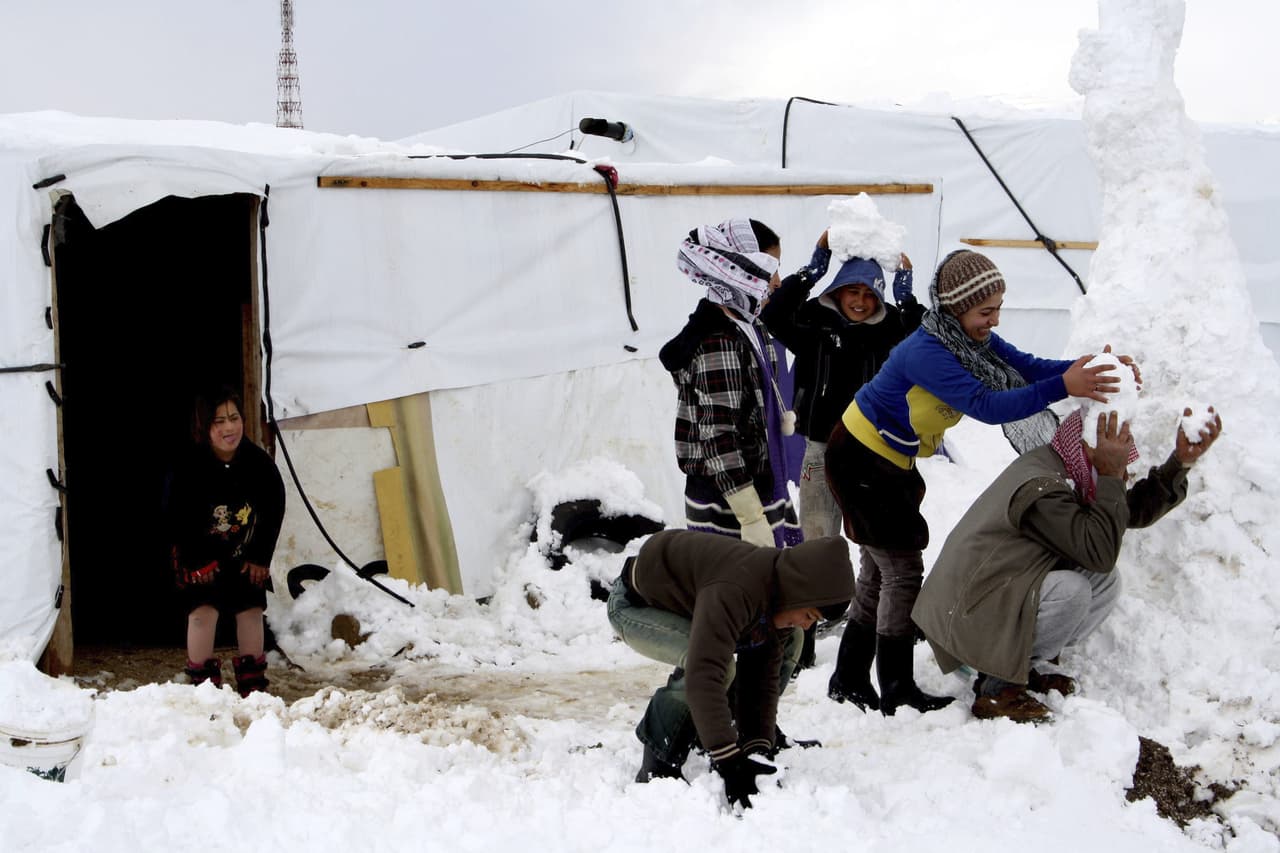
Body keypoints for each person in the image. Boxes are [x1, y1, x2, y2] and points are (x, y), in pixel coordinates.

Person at [824, 249, 1126, 716]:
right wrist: (1065, 385)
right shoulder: (928, 351)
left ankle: (848, 678)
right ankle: (897, 689)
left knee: (879, 570)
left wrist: (1084, 370)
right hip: (862, 458)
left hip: (886, 457)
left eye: (999, 308)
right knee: (901, 571)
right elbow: (987, 405)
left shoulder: (967, 340)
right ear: (957, 307)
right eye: (987, 311)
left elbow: (1026, 366)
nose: (995, 321)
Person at [912, 405, 1222, 722]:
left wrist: (1180, 463)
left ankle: (1024, 666)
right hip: (964, 616)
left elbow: (1123, 513)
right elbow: (1099, 551)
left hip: (992, 593)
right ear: (1088, 447)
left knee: (1104, 581)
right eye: (1115, 459)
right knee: (1072, 589)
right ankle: (997, 688)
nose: (1124, 470)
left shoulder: (1072, 469)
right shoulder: (1043, 487)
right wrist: (1111, 476)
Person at [760, 240, 923, 668]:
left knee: (877, 546)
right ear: (839, 290)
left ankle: (873, 630)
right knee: (818, 544)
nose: (861, 301)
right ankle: (803, 646)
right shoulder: (814, 325)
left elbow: (924, 335)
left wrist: (905, 295)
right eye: (853, 291)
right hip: (821, 451)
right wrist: (812, 269)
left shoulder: (890, 332)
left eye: (871, 294)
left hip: (874, 455)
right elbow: (774, 314)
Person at [607, 530, 854, 808]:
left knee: (791, 640)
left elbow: (761, 679)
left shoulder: (780, 592)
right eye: (809, 615)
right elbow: (705, 674)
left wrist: (756, 747)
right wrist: (729, 761)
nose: (809, 625)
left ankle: (727, 730)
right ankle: (659, 760)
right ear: (797, 593)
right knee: (713, 665)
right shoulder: (737, 589)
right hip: (634, 606)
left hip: (693, 604)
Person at [659, 218, 830, 549]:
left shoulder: (749, 323)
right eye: (770, 270)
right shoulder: (717, 339)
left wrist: (815, 268)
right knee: (741, 593)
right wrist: (750, 516)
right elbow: (718, 436)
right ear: (741, 271)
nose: (777, 282)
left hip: (759, 481)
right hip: (729, 501)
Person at [166, 388, 285, 696]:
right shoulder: (189, 467)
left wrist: (261, 555)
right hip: (201, 553)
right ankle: (203, 682)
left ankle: (252, 680)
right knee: (203, 611)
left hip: (244, 551)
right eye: (219, 421)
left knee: (250, 608)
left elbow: (273, 509)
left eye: (234, 418)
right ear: (204, 427)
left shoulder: (258, 464)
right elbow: (176, 516)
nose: (229, 428)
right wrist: (196, 561)